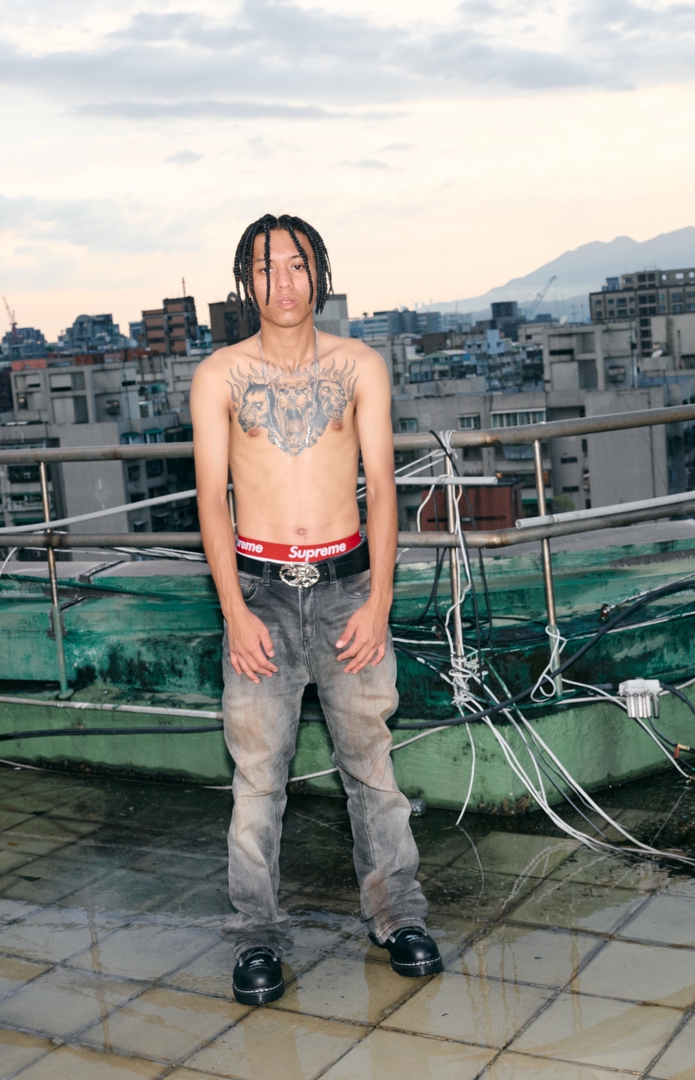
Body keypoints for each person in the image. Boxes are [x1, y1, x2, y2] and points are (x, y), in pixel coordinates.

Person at [190, 213, 441, 1005]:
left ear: (319, 275)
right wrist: (234, 612)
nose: (283, 281)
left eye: (296, 264)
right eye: (266, 267)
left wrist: (380, 602)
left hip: (345, 591)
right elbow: (211, 500)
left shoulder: (359, 366)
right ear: (247, 282)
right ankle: (256, 936)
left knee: (373, 770)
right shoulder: (219, 375)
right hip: (259, 594)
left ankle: (398, 917)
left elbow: (383, 489)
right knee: (257, 782)